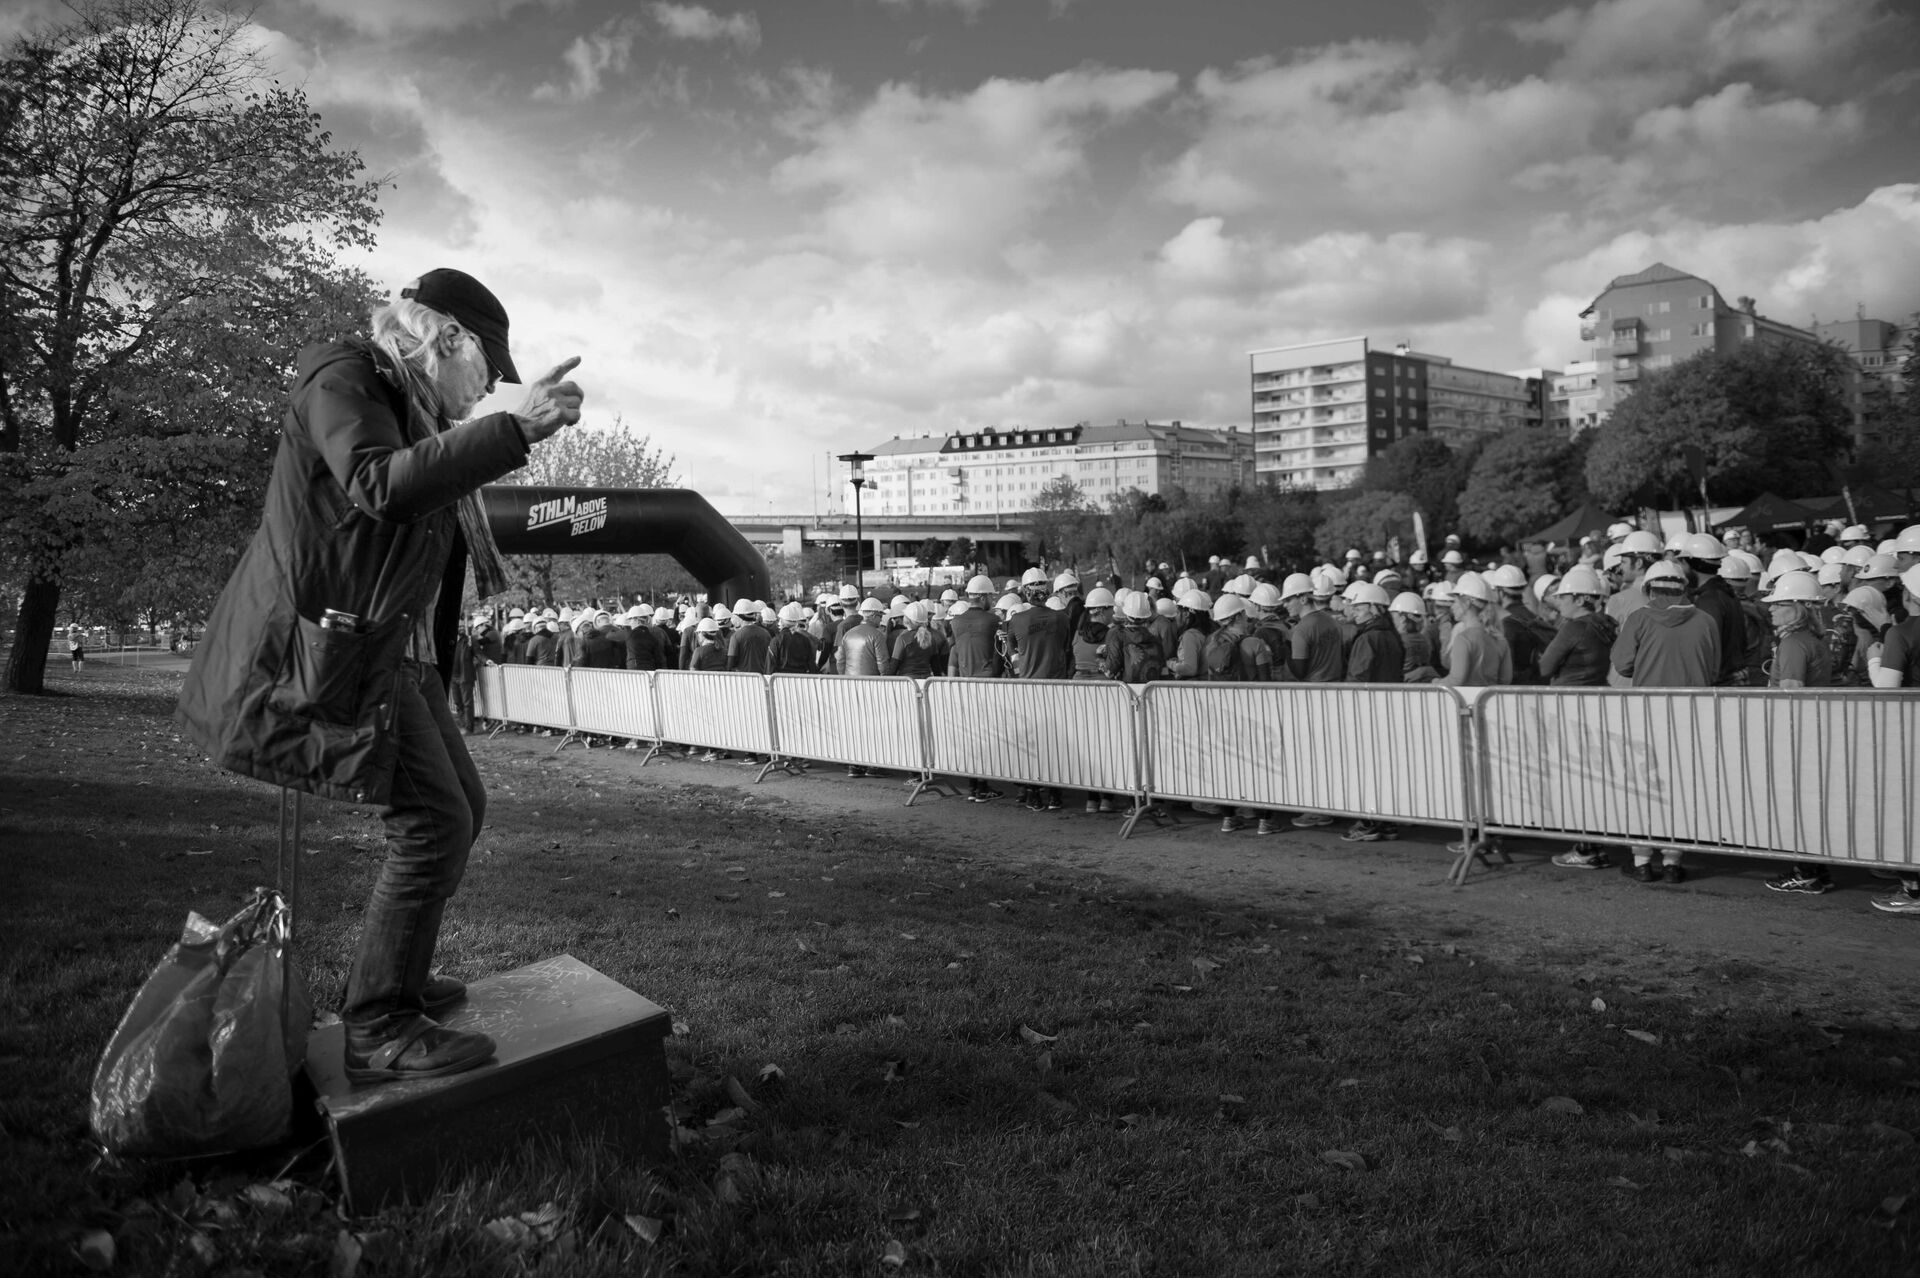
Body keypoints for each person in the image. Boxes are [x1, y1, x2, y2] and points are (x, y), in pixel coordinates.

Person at [177, 267, 584, 1084]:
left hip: (395, 648)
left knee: (460, 810)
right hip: (339, 647)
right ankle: (377, 1023)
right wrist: (514, 430)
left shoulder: (413, 408)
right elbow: (379, 484)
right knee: (432, 825)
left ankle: (394, 982)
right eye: (490, 369)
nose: (490, 388)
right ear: (448, 339)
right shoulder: (346, 376)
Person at [1609, 559, 1718, 884]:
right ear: (1684, 588)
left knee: (1643, 788)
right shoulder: (1706, 621)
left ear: (1649, 589)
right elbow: (1713, 669)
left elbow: (1622, 664)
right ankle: (1673, 861)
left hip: (1647, 715)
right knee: (1682, 789)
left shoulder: (1639, 618)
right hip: (1692, 717)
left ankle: (1642, 860)